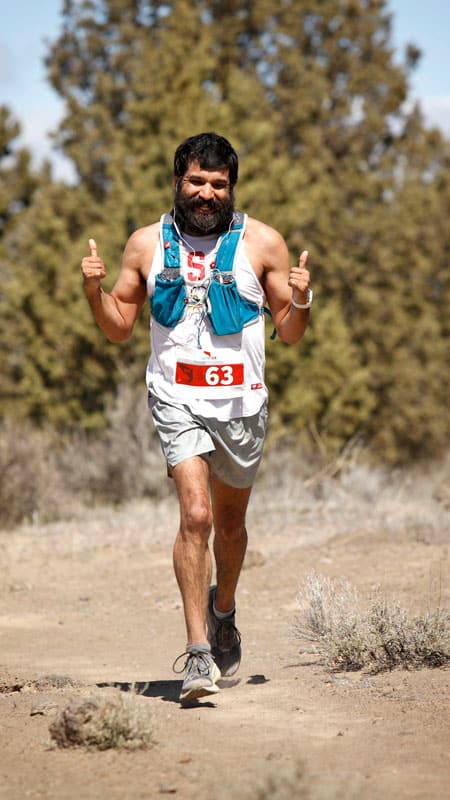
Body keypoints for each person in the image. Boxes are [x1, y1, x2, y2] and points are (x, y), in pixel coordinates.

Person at [81, 132, 312, 704]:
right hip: (175, 397)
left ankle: (224, 610)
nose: (206, 192)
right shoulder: (145, 245)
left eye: (218, 183)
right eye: (196, 181)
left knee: (230, 528)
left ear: (231, 187)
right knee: (197, 513)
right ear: (178, 181)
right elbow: (118, 327)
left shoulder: (263, 243)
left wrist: (302, 300)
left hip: (241, 405)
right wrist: (94, 290)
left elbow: (289, 334)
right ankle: (197, 654)